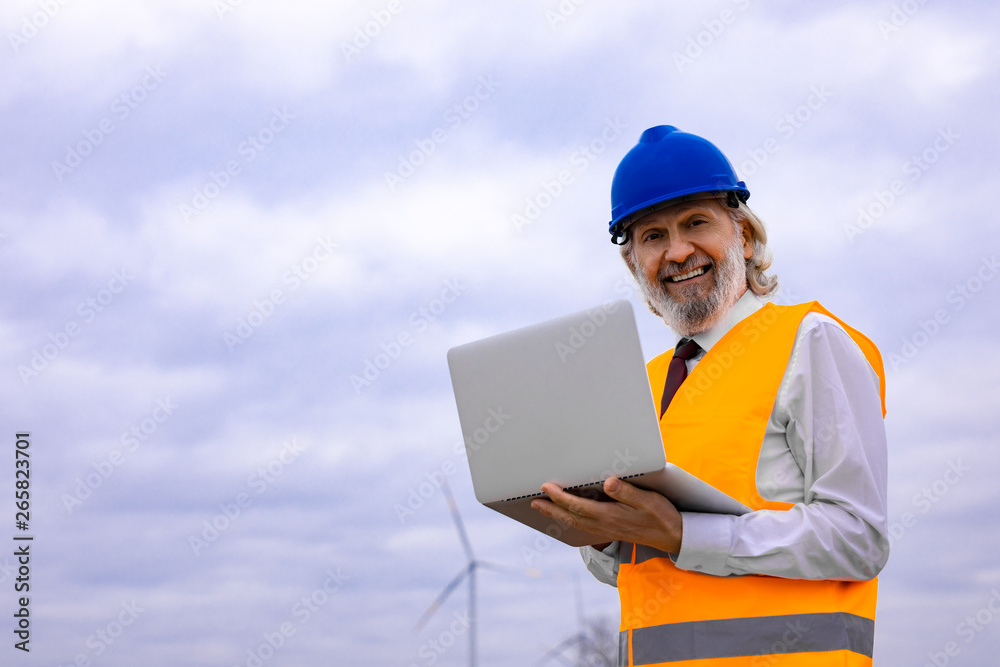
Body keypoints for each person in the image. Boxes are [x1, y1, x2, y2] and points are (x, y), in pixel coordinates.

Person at [530, 125, 889, 666]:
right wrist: (602, 533)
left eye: (696, 223)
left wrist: (684, 533)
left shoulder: (810, 341)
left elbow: (859, 537)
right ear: (634, 264)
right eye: (652, 236)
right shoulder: (641, 385)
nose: (677, 251)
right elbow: (635, 568)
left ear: (743, 236)